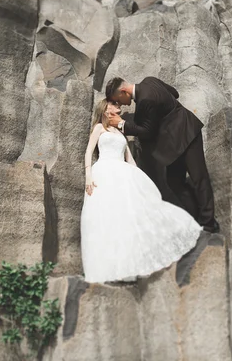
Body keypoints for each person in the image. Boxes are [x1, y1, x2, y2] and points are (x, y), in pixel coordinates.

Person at [80, 99, 201, 284]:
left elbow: (129, 159)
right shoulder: (98, 128)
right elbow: (89, 151)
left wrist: (139, 179)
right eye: (113, 104)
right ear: (106, 109)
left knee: (126, 218)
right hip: (104, 172)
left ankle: (126, 266)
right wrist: (88, 176)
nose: (117, 106)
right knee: (104, 218)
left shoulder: (120, 131)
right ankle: (105, 269)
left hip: (122, 173)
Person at [104, 76, 220, 233]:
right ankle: (197, 219)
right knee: (174, 182)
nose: (119, 104)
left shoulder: (145, 99)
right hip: (174, 143)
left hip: (187, 133)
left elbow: (147, 132)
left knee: (199, 177)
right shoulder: (150, 80)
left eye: (117, 100)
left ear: (123, 91)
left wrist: (121, 124)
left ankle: (208, 223)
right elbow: (175, 93)